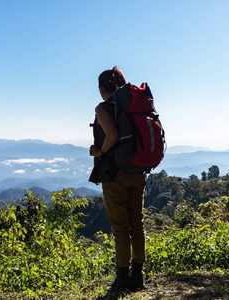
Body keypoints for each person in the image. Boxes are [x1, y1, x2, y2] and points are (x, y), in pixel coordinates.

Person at [89, 66, 147, 291]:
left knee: (121, 227)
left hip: (115, 174)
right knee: (137, 224)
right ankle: (138, 276)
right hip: (138, 171)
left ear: (102, 88)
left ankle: (122, 277)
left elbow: (111, 137)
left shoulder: (103, 108)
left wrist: (99, 152)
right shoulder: (133, 105)